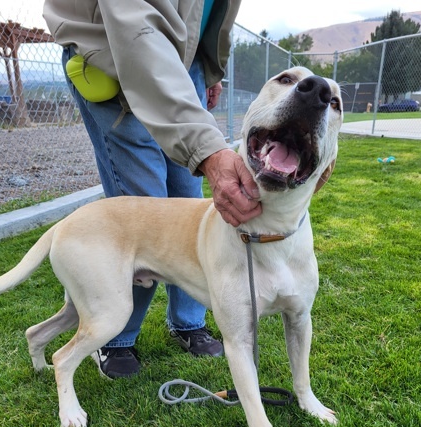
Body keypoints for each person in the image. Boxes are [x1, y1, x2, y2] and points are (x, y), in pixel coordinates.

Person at [42, 1, 261, 379]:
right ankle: (116, 337)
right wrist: (209, 152)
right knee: (141, 209)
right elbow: (137, 32)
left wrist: (208, 70)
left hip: (185, 62)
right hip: (114, 53)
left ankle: (188, 322)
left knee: (188, 200)